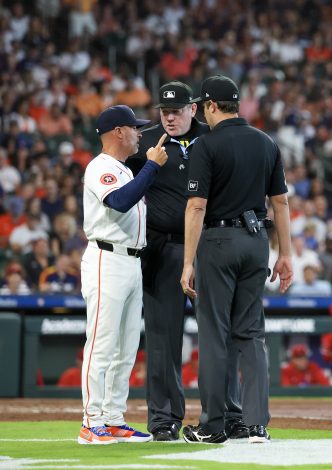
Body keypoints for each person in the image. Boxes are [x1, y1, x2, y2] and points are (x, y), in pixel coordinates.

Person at [127, 81, 246, 442]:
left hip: (208, 246)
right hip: (161, 249)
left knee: (217, 334)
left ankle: (226, 415)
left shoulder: (213, 138)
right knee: (163, 338)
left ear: (194, 109)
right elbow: (113, 181)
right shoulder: (146, 142)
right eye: (164, 112)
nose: (170, 118)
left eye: (176, 111)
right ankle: (164, 420)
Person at [180, 76, 293, 444]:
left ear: (211, 106)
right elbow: (281, 203)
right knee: (251, 333)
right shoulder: (266, 142)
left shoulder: (206, 144)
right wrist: (286, 254)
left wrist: (187, 262)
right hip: (258, 240)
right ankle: (256, 424)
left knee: (214, 333)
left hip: (218, 240)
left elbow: (197, 206)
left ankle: (213, 426)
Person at [79, 104, 168, 445]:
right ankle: (91, 421)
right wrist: (151, 167)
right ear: (119, 131)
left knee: (125, 347)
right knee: (102, 344)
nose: (139, 133)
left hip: (131, 262)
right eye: (135, 128)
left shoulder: (122, 168)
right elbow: (119, 201)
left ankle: (113, 418)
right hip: (106, 258)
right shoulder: (100, 167)